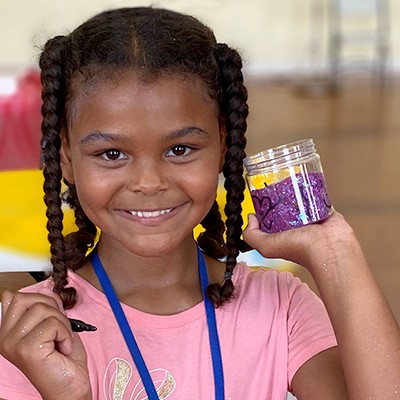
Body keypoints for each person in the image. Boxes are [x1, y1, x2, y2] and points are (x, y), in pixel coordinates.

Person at [0, 6, 399, 400]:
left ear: (223, 146)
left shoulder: (279, 304)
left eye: (179, 148)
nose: (148, 183)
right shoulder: (30, 338)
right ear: (66, 158)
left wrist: (337, 251)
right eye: (111, 154)